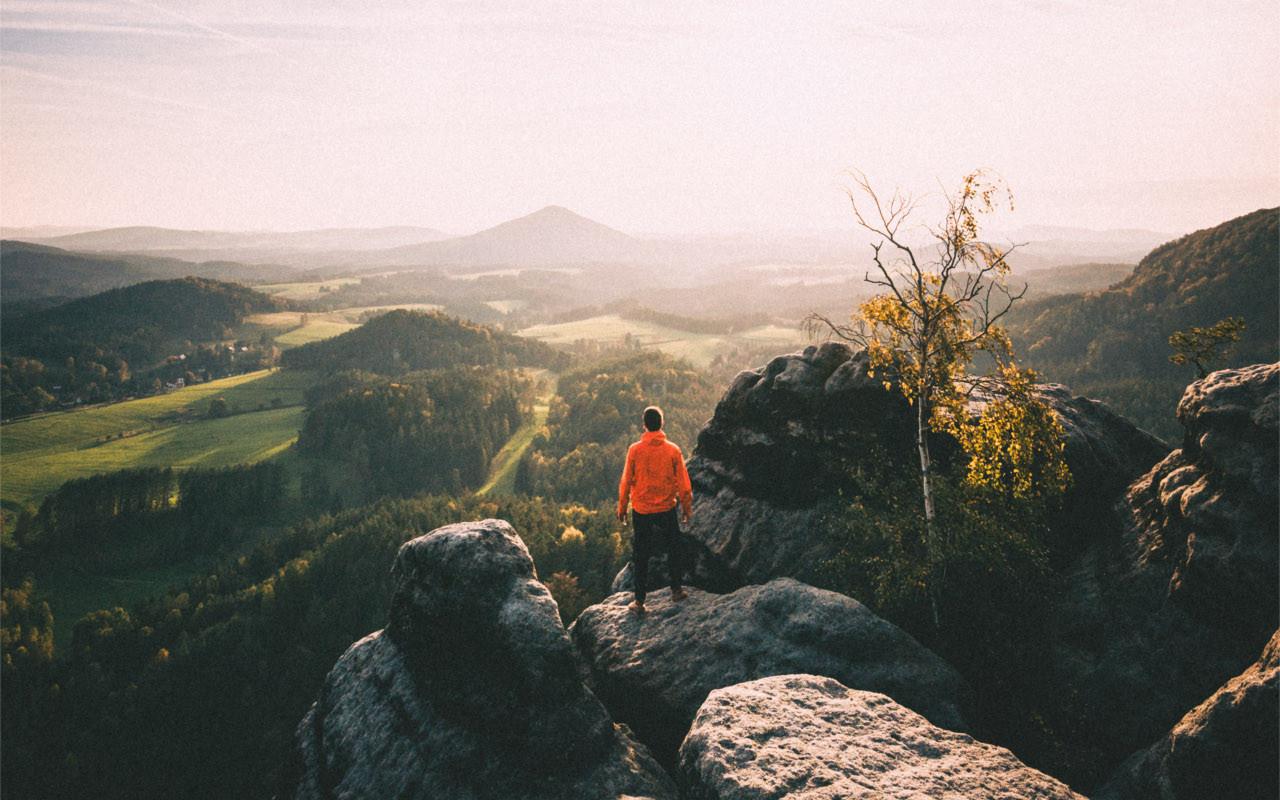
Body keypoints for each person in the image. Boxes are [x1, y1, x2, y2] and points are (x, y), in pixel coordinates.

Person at [617, 405, 693, 613]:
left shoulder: (635, 450)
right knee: (673, 548)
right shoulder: (673, 450)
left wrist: (622, 507)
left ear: (644, 425)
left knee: (641, 554)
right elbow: (685, 486)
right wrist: (686, 510)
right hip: (667, 508)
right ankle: (676, 590)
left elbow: (626, 481)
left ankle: (640, 601)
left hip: (641, 510)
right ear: (662, 424)